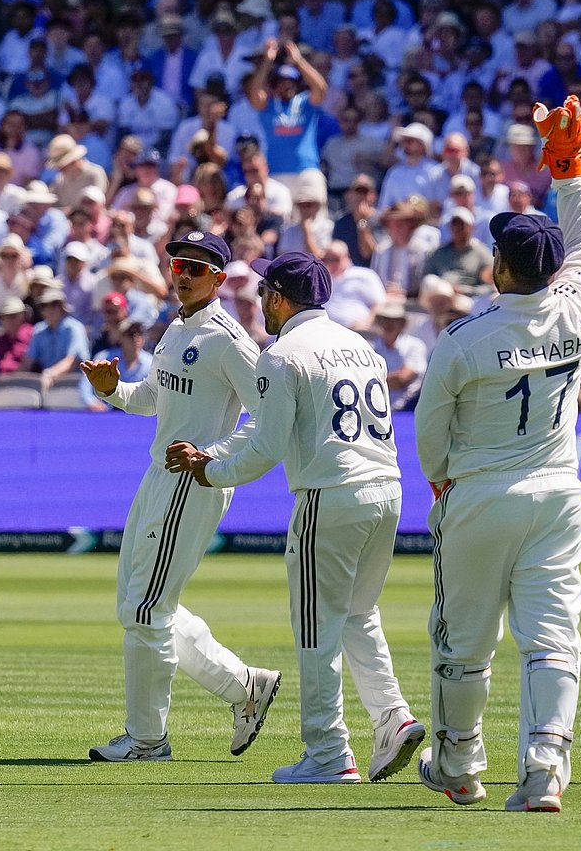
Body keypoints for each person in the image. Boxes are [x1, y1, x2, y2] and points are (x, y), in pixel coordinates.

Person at [166, 250, 425, 785]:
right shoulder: (362, 345)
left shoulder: (283, 354)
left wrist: (209, 468)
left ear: (280, 298)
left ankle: (329, 753)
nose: (260, 301)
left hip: (330, 495)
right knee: (358, 614)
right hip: (387, 491)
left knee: (316, 628)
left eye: (263, 292)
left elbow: (264, 447)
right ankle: (392, 718)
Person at [415, 97, 581, 812]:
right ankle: (545, 769)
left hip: (482, 492)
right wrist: (568, 168)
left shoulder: (464, 339)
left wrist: (441, 483)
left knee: (463, 640)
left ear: (501, 265)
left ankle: (459, 763)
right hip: (557, 493)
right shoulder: (577, 307)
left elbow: (431, 432)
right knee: (551, 635)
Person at [81, 230, 282, 763]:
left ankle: (148, 739)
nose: (184, 274)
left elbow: (268, 420)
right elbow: (152, 398)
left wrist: (210, 457)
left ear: (218, 277)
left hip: (194, 482)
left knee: (145, 610)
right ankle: (246, 686)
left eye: (196, 267)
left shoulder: (229, 338)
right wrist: (110, 391)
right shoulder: (176, 328)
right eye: (178, 265)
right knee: (142, 603)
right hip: (159, 476)